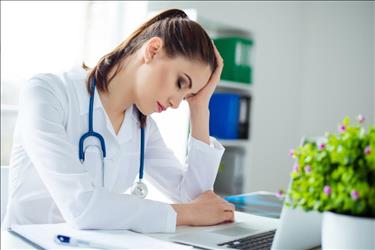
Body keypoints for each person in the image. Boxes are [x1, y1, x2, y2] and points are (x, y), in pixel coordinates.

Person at [3, 8, 235, 233]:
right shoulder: (48, 93)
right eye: (180, 83)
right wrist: (188, 214)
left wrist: (200, 107)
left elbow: (198, 199)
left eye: (187, 95)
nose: (177, 103)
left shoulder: (143, 127)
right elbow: (81, 206)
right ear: (153, 50)